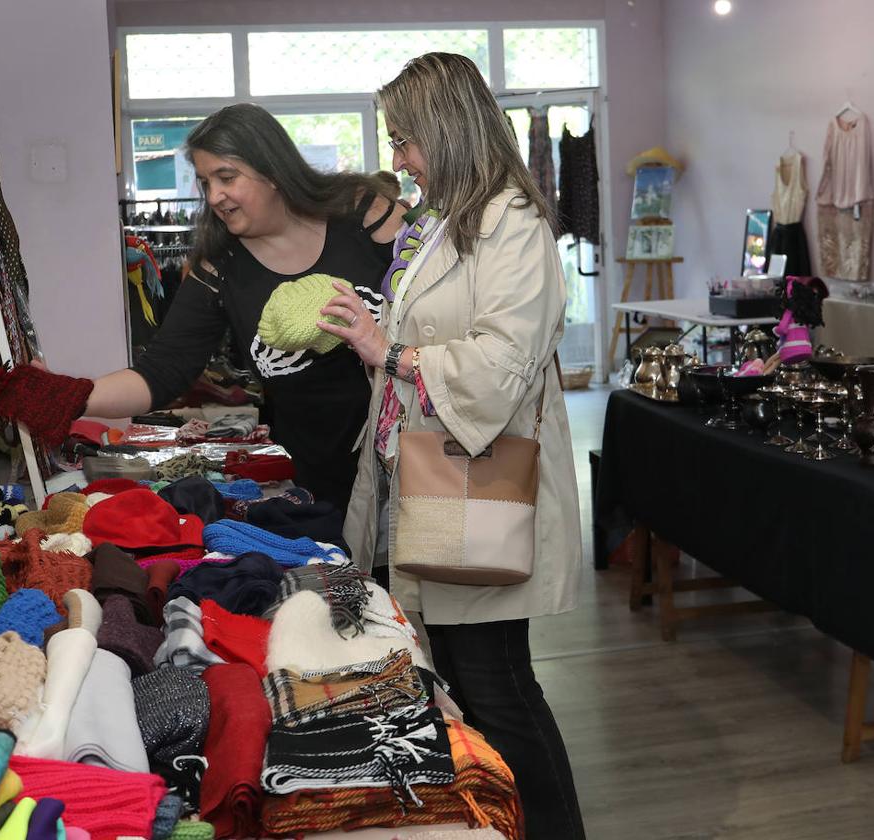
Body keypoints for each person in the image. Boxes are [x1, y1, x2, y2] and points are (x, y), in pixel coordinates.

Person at [320, 54, 586, 839]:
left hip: (477, 485)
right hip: (440, 483)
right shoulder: (445, 223)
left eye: (405, 139)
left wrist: (388, 352)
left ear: (446, 131)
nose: (397, 157)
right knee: (463, 674)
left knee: (497, 682)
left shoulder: (517, 228)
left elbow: (500, 368)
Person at [78, 104, 404, 510]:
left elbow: (443, 305)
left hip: (411, 469)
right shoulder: (220, 268)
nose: (214, 196)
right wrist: (68, 396)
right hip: (317, 487)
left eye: (226, 177)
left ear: (271, 171)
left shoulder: (363, 213)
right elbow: (161, 371)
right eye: (205, 182)